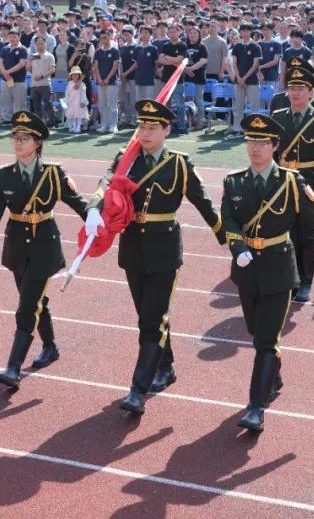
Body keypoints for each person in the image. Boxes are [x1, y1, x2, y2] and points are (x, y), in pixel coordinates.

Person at [87, 99, 224, 415]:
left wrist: (229, 239)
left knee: (152, 318)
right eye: (141, 126)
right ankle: (166, 366)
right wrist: (93, 209)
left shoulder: (179, 164)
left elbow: (204, 203)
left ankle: (138, 389)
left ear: (166, 130)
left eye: (152, 127)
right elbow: (105, 184)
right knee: (149, 316)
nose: (145, 133)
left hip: (164, 250)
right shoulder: (126, 159)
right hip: (133, 247)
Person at [221, 112, 314, 432]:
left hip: (279, 267)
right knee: (256, 331)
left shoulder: (291, 181)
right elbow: (229, 220)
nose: (256, 148)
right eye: (251, 141)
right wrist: (238, 248)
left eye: (263, 142)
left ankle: (256, 407)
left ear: (275, 146)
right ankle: (273, 374)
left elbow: (313, 215)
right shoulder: (234, 181)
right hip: (247, 269)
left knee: (266, 340)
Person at [0, 111, 90, 388]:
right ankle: (50, 346)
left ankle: (13, 368)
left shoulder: (53, 173)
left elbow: (77, 202)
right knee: (36, 300)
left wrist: (96, 219)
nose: (18, 142)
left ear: (37, 143)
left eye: (24, 138)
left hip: (44, 245)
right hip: (16, 246)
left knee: (27, 305)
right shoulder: (4, 175)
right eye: (15, 137)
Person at [270, 67, 314, 302]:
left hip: (310, 182)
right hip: (284, 182)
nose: (295, 93)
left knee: (308, 235)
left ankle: (306, 281)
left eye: (300, 88)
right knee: (286, 234)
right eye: (292, 88)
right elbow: (272, 155)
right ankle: (292, 279)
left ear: (311, 92)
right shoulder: (278, 116)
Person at [229, 29, 262, 133]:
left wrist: (244, 78)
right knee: (238, 106)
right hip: (238, 81)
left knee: (254, 107)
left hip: (252, 80)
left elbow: (255, 65)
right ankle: (237, 129)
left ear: (250, 32)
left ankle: (254, 130)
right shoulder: (237, 46)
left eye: (247, 31)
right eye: (242, 31)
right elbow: (234, 64)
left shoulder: (256, 46)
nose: (245, 33)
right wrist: (239, 78)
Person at [0, 28, 29, 124]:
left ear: (19, 37)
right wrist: (5, 73)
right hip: (6, 80)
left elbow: (22, 64)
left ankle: (20, 119)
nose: (12, 39)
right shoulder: (5, 48)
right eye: (10, 37)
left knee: (19, 101)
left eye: (14, 37)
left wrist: (7, 72)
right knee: (6, 100)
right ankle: (7, 119)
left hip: (19, 80)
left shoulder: (23, 49)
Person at [93, 29, 120, 133]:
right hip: (100, 82)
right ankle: (104, 124)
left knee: (112, 104)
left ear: (110, 37)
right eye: (101, 38)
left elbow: (115, 66)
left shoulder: (115, 51)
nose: (103, 40)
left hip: (112, 82)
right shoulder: (98, 52)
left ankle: (113, 125)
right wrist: (99, 79)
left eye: (105, 37)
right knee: (102, 105)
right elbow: (96, 66)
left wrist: (107, 79)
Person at [28, 34, 55, 126]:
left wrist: (42, 76)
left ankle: (50, 122)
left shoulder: (50, 56)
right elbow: (28, 68)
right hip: (34, 85)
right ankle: (39, 122)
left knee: (48, 104)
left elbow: (52, 69)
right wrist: (29, 61)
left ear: (45, 43)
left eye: (41, 43)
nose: (40, 45)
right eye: (37, 44)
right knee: (36, 105)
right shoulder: (34, 56)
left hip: (45, 84)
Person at [64, 66, 89, 133]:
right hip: (72, 101)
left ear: (79, 76)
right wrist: (67, 100)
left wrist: (83, 101)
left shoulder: (82, 84)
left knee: (79, 114)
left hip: (79, 102)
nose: (75, 76)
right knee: (73, 115)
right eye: (73, 74)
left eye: (77, 75)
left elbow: (83, 93)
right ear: (71, 76)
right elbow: (67, 92)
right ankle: (74, 125)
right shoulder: (69, 83)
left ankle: (78, 126)